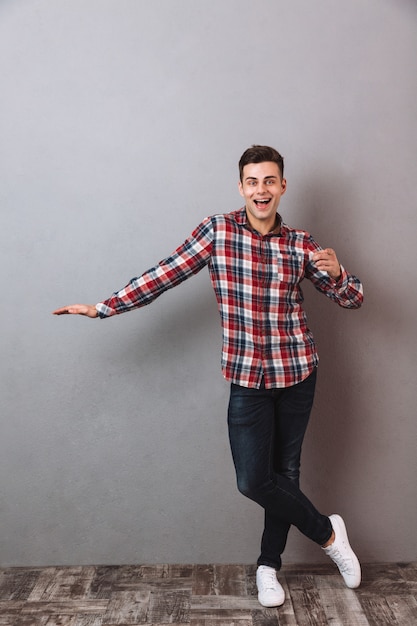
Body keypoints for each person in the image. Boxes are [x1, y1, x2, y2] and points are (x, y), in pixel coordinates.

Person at [53, 145, 363, 608]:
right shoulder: (216, 231)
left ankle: (267, 566)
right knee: (254, 480)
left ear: (282, 187)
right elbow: (165, 274)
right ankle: (326, 532)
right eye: (252, 182)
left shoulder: (301, 243)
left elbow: (353, 299)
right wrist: (104, 307)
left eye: (270, 181)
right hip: (247, 376)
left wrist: (339, 274)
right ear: (242, 187)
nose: (261, 190)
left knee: (286, 473)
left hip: (297, 372)